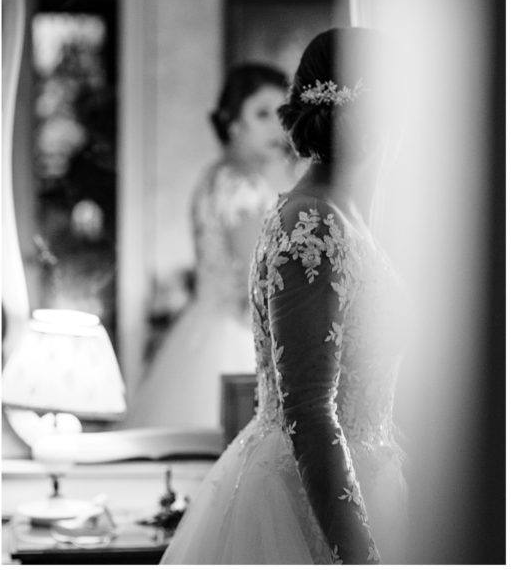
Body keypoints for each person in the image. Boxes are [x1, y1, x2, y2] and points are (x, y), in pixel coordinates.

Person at [162, 28, 407, 564]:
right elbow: (311, 411)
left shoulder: (350, 216)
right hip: (307, 506)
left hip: (368, 476)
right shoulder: (311, 222)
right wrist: (359, 555)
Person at [126, 63, 294, 430]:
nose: (275, 126)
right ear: (233, 121)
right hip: (234, 333)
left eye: (280, 113)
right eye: (262, 113)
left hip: (203, 329)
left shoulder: (217, 176)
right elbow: (258, 276)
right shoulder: (241, 185)